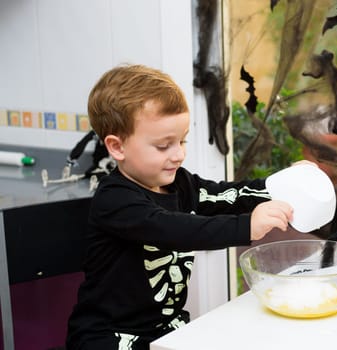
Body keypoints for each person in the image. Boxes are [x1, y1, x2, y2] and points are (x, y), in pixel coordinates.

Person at [66, 64, 295, 349]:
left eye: (182, 140)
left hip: (167, 332)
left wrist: (281, 185)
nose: (179, 155)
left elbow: (223, 195)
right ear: (117, 147)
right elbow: (172, 228)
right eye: (164, 146)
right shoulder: (114, 199)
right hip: (107, 338)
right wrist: (246, 226)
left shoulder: (180, 183)